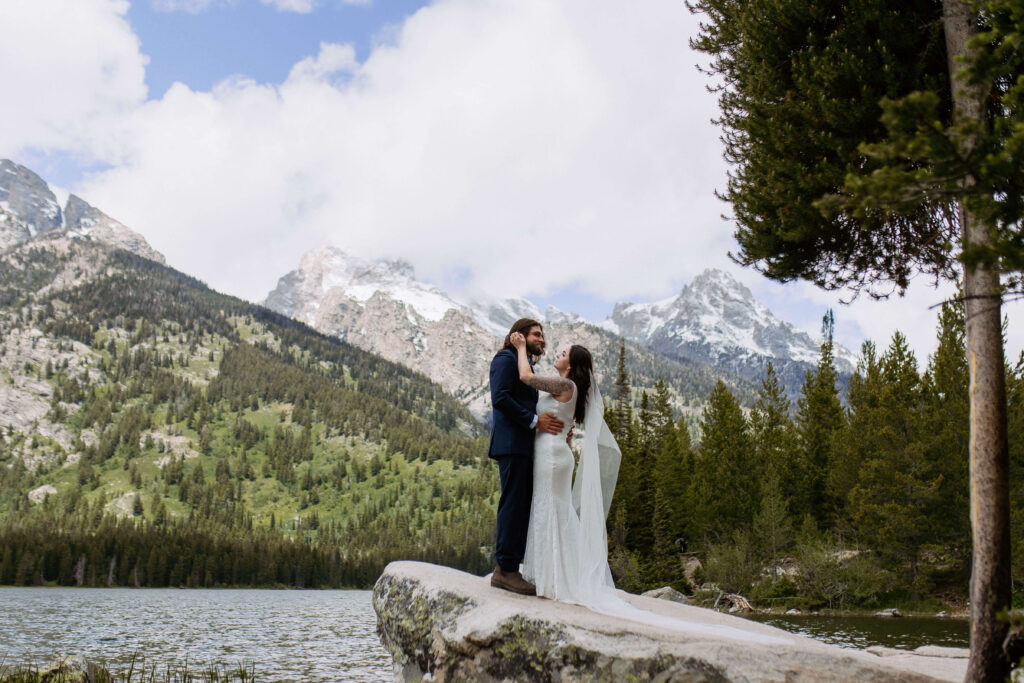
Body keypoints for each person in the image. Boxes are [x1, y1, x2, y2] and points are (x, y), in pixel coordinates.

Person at [487, 318, 564, 595]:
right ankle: (505, 570)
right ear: (519, 335)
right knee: (512, 503)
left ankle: (510, 567)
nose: (541, 339)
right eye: (536, 334)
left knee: (520, 505)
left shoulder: (524, 363)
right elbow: (501, 398)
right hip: (510, 444)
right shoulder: (505, 359)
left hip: (523, 445)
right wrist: (534, 420)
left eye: (542, 335)